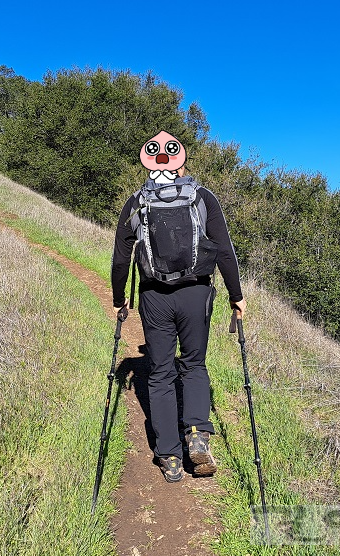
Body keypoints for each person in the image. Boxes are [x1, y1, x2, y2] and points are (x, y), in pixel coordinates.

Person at [111, 131, 246, 483]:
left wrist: (118, 297)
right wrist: (236, 294)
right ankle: (198, 433)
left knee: (158, 374)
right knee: (194, 364)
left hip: (154, 295)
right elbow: (224, 249)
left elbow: (121, 256)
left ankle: (169, 456)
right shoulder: (202, 197)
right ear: (181, 161)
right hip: (196, 292)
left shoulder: (137, 202)